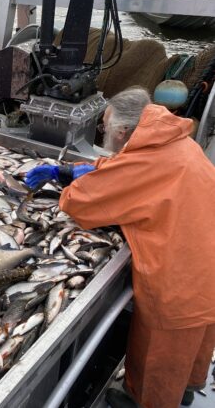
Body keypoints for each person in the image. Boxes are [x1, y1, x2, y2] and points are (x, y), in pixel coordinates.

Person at [25, 87, 215, 408]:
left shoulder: (143, 161)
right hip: (207, 262)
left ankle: (147, 400)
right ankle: (188, 385)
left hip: (178, 283)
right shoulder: (177, 141)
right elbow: (129, 168)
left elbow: (79, 204)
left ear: (125, 132)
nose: (105, 135)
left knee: (159, 355)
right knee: (194, 343)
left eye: (106, 129)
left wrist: (69, 181)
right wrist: (77, 170)